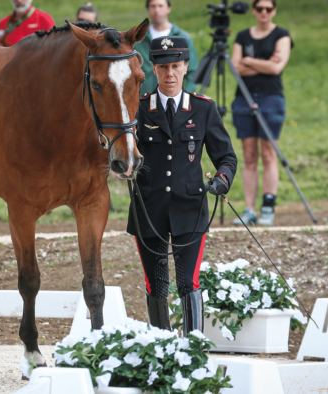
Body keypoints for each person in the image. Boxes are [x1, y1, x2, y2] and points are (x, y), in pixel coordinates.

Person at [128, 36, 237, 336]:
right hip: (149, 209)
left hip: (190, 209)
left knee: (188, 282)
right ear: (153, 68)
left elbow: (226, 156)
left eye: (176, 66)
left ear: (186, 67)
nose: (170, 74)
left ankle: (193, 349)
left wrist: (222, 179)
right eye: (163, 67)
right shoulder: (138, 109)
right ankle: (161, 349)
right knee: (156, 283)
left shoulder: (202, 109)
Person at [230, 0, 292, 226]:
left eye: (268, 8)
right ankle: (249, 209)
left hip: (271, 98)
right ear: (254, 11)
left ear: (274, 10)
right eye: (259, 8)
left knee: (268, 152)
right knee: (248, 155)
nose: (263, 12)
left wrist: (248, 61)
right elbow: (234, 67)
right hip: (243, 98)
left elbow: (277, 67)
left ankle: (268, 205)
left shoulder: (282, 35)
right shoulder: (242, 36)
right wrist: (264, 63)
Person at [134, 0, 198, 96]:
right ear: (148, 9)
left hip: (175, 101)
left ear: (168, 8)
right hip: (144, 102)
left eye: (160, 6)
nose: (156, 10)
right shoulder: (139, 39)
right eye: (153, 6)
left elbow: (193, 72)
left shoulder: (183, 38)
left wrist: (185, 98)